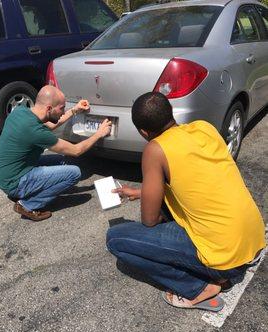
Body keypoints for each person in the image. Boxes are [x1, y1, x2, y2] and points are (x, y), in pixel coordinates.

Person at [106, 92, 265, 312]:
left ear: (143, 132)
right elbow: (197, 181)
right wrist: (142, 192)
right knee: (167, 201)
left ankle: (198, 287)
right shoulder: (203, 128)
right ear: (170, 113)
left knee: (116, 239)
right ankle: (216, 269)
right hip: (252, 239)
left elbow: (149, 220)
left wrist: (150, 197)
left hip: (225, 259)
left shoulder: (155, 149)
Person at [0, 85, 111, 221]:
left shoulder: (21, 112)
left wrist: (74, 111)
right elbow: (76, 150)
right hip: (14, 182)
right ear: (49, 108)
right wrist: (99, 134)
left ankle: (23, 192)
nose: (63, 111)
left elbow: (50, 125)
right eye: (61, 108)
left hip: (8, 175)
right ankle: (27, 205)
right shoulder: (35, 131)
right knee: (74, 173)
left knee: (63, 160)